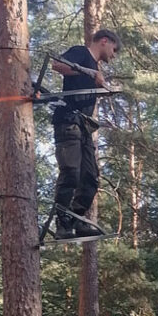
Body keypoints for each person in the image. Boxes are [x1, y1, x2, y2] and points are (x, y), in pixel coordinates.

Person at [51, 29, 121, 238]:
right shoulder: (81, 53)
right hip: (67, 122)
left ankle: (75, 218)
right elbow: (58, 65)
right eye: (114, 50)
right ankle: (62, 222)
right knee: (71, 171)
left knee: (90, 177)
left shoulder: (96, 68)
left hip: (83, 128)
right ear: (104, 41)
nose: (113, 55)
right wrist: (90, 73)